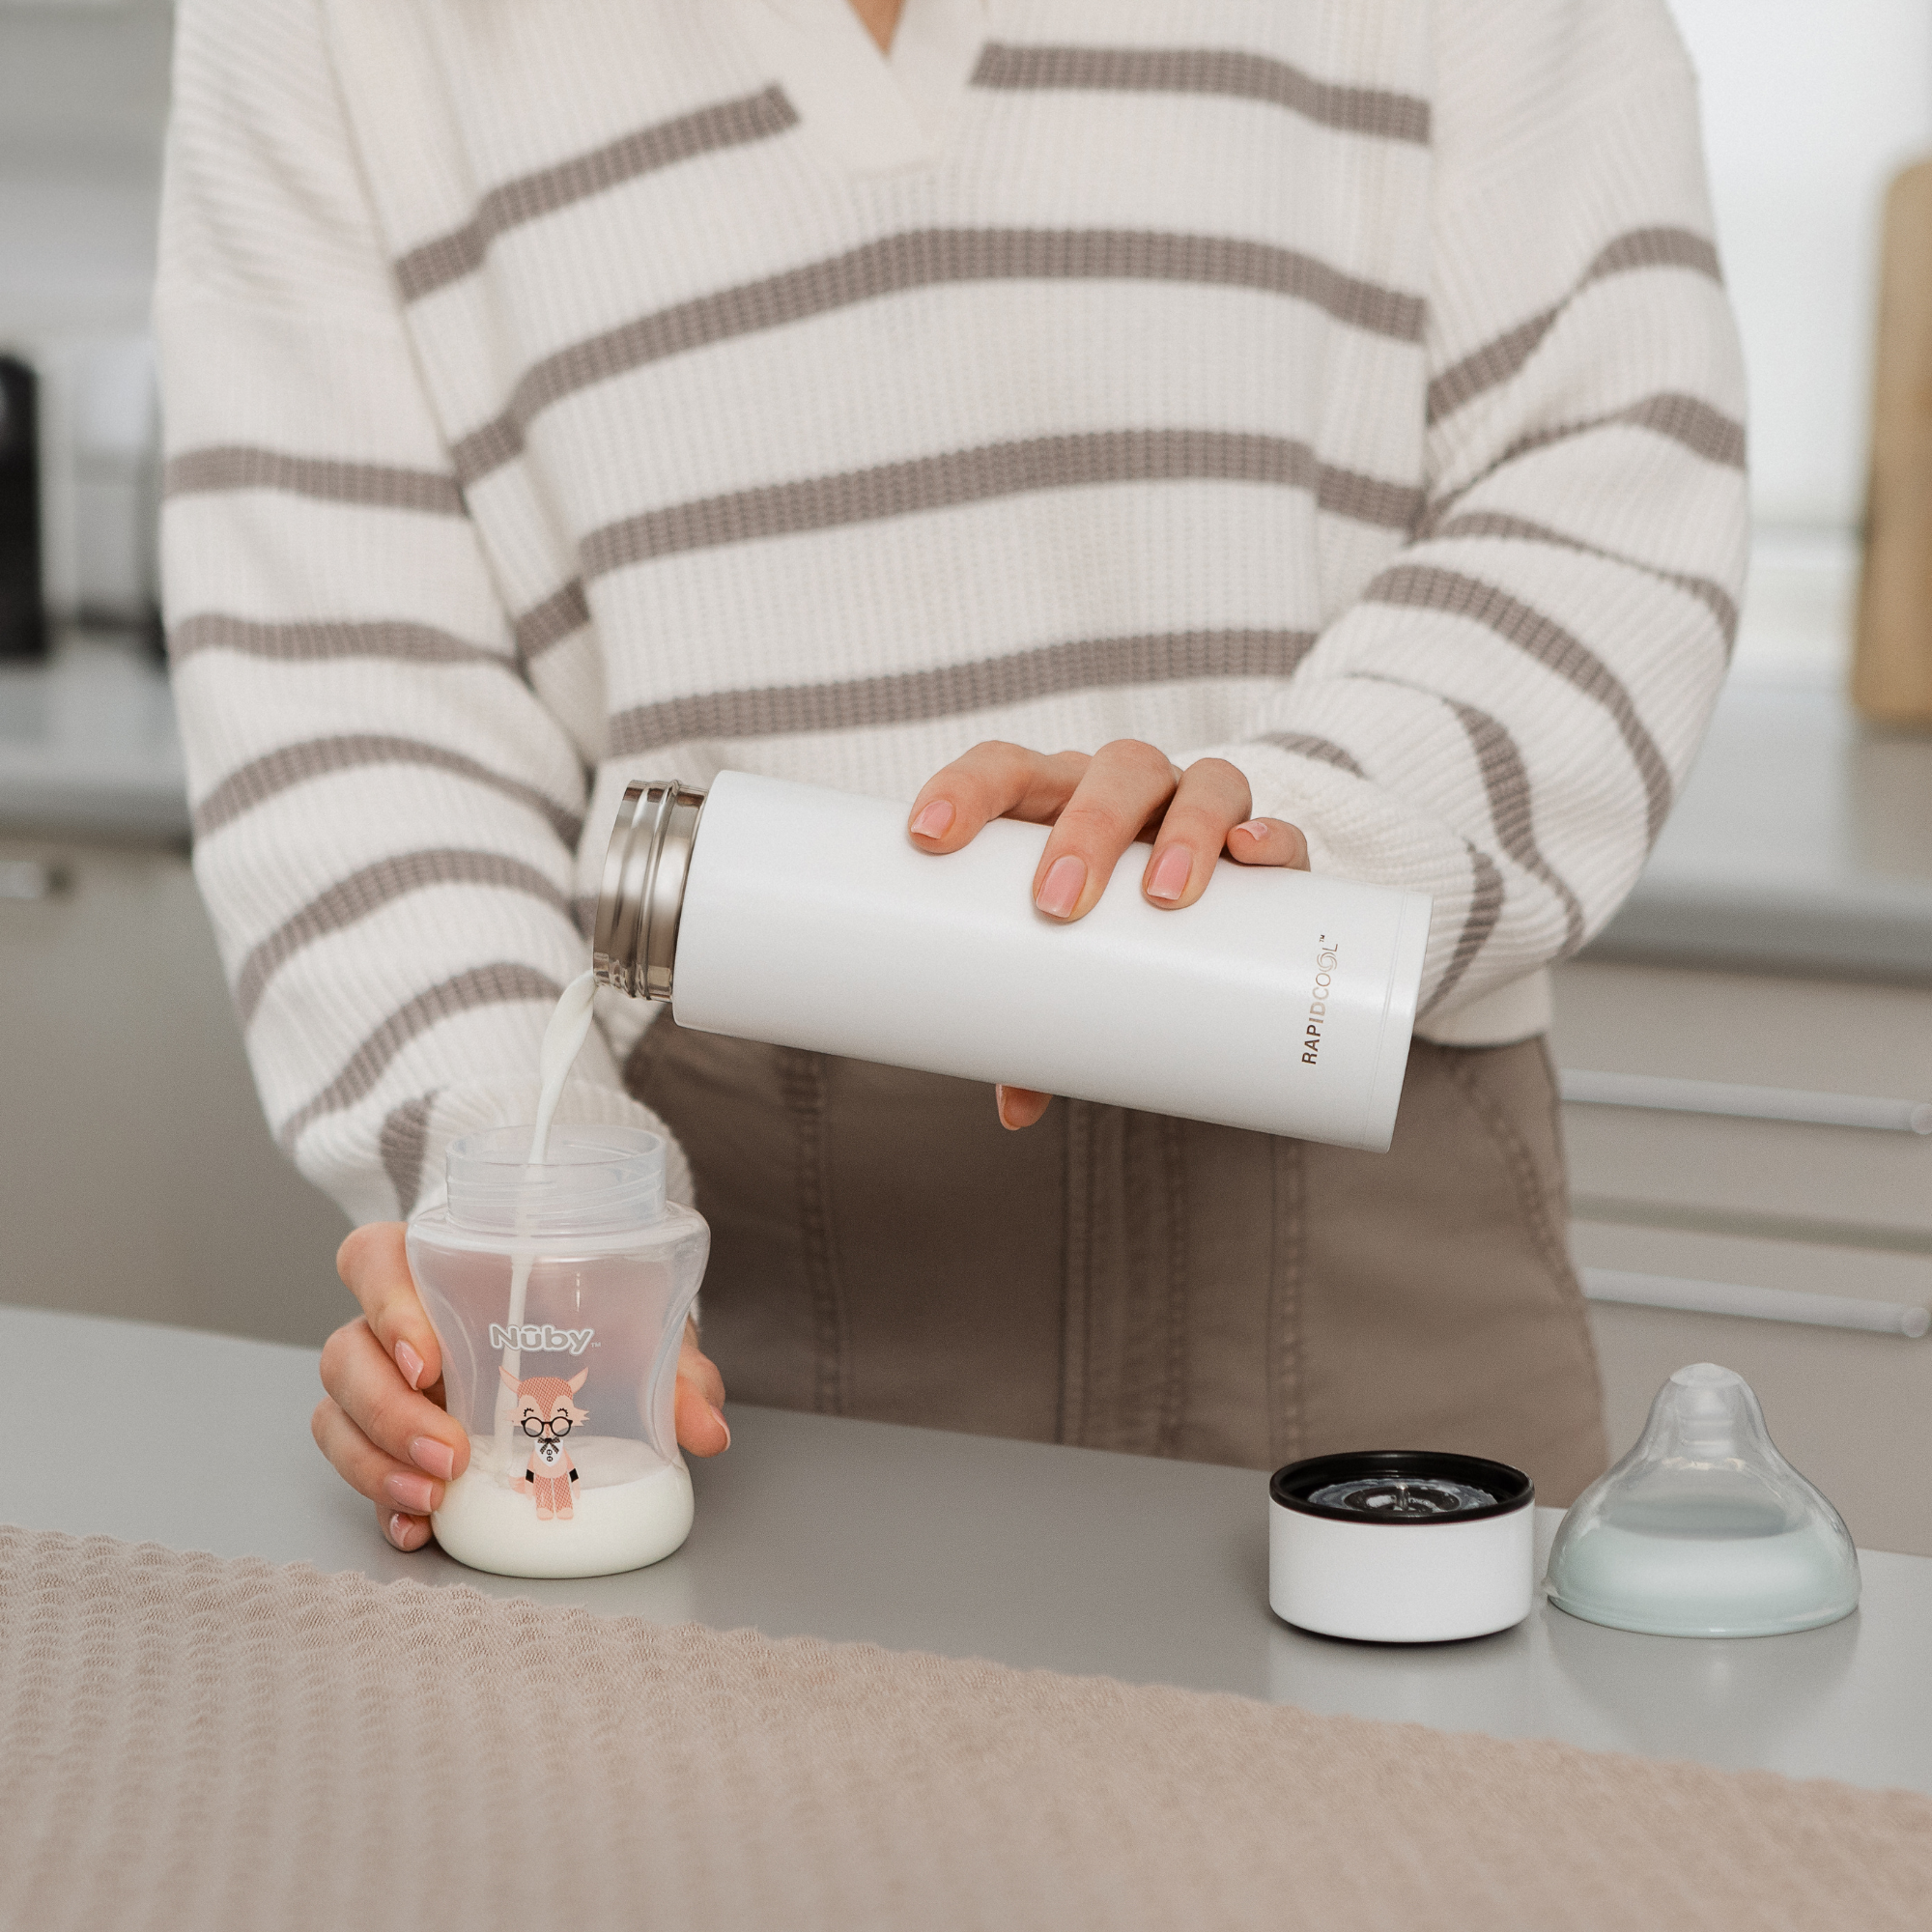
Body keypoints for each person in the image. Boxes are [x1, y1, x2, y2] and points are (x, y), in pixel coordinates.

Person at [157, 0, 1747, 1551]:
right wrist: (518, 1215)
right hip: (727, 1303)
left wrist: (1279, 844)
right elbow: (345, 700)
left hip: (1362, 1210)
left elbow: (1608, 474)